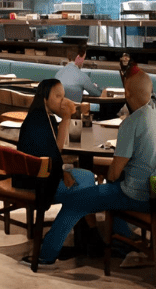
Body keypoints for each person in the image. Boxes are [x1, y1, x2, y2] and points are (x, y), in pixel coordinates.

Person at [30, 69, 156, 268]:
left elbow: (113, 174)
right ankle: (122, 242)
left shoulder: (132, 123)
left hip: (144, 196)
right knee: (119, 187)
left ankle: (45, 255)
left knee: (78, 200)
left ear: (127, 94)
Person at [15, 79, 96, 257]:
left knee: (88, 177)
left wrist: (66, 118)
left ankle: (87, 234)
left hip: (45, 173)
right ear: (45, 98)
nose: (63, 101)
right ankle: (82, 238)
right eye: (58, 96)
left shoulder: (47, 117)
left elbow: (55, 150)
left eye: (63, 96)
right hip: (35, 180)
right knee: (81, 195)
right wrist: (62, 173)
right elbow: (48, 157)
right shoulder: (37, 121)